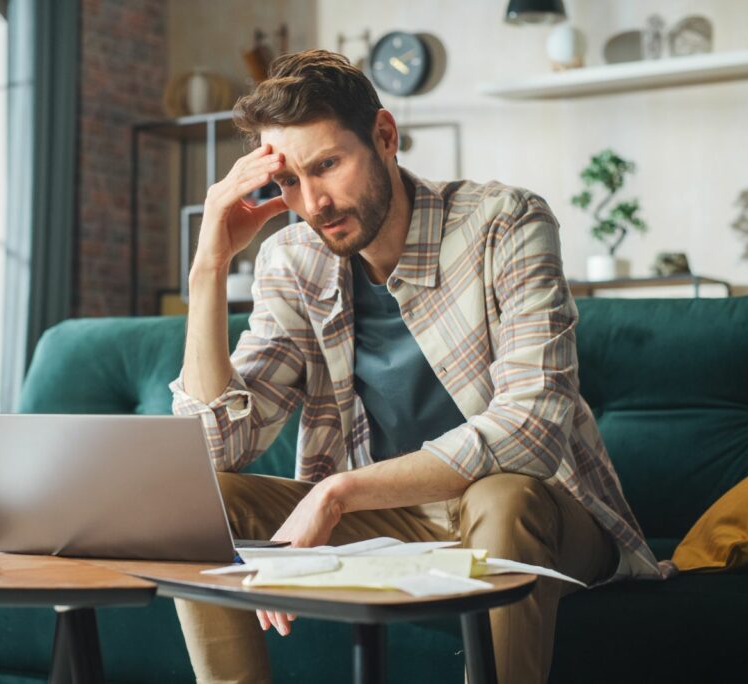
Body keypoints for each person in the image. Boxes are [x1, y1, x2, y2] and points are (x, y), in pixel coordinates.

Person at [169, 49, 663, 684]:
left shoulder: (503, 223)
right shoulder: (291, 260)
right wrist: (207, 267)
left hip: (535, 514)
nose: (314, 202)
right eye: (290, 181)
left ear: (384, 136)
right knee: (204, 504)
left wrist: (337, 492)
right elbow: (215, 447)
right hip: (391, 523)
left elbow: (531, 428)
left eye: (328, 165)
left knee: (502, 496)